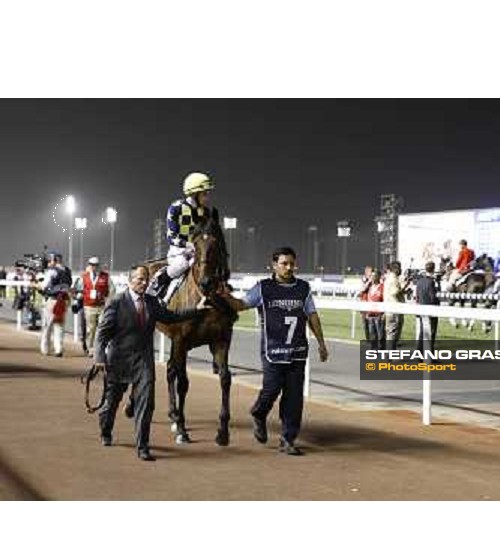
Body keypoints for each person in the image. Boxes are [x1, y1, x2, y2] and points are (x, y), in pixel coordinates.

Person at [223, 247, 328, 456]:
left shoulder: (303, 288)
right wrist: (223, 296)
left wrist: (322, 343)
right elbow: (241, 305)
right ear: (274, 265)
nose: (289, 267)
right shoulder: (263, 288)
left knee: (294, 399)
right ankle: (258, 413)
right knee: (270, 391)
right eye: (284, 264)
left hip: (297, 352)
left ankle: (288, 439)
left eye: (292, 264)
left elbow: (312, 316)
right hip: (272, 351)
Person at [93, 265, 206, 461]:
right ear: (130, 281)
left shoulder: (152, 303)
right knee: (111, 404)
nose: (144, 283)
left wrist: (196, 310)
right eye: (139, 279)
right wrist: (99, 358)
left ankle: (143, 446)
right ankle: (105, 430)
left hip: (144, 362)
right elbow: (102, 334)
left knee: (146, 404)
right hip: (118, 360)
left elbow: (172, 317)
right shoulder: (117, 302)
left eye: (146, 279)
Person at [149, 171, 229, 305]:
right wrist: (187, 245)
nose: (207, 197)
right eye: (205, 193)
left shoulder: (205, 211)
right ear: (194, 194)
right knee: (182, 264)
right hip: (178, 250)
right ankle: (160, 289)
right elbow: (170, 237)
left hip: (198, 251)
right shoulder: (176, 208)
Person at [75, 256, 113, 356]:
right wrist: (78, 298)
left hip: (101, 306)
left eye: (95, 265)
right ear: (89, 265)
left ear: (98, 266)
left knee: (101, 328)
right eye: (92, 265)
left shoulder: (106, 276)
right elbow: (78, 290)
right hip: (88, 306)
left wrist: (108, 301)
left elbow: (112, 290)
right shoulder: (84, 276)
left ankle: (99, 348)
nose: (94, 267)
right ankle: (90, 348)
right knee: (90, 329)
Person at [38, 252, 72, 357]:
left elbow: (44, 286)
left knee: (47, 325)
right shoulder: (67, 270)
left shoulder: (52, 271)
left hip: (53, 300)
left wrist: (37, 284)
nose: (48, 263)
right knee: (59, 325)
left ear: (54, 260)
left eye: (50, 260)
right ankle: (58, 349)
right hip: (64, 300)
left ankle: (45, 349)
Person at [383, 261, 408, 350]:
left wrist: (404, 288)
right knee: (392, 334)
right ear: (396, 269)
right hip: (394, 310)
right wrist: (404, 287)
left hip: (390, 309)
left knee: (392, 334)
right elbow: (395, 292)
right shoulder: (393, 279)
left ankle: (390, 354)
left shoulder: (390, 278)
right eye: (400, 268)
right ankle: (389, 356)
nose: (401, 270)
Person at [416, 261, 440, 353]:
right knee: (431, 333)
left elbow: (417, 296)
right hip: (431, 310)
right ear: (433, 269)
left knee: (422, 332)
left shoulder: (419, 281)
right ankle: (429, 355)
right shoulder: (431, 282)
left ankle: (419, 354)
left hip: (421, 308)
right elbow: (433, 297)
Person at [365, 269, 385, 350]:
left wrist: (384, 313)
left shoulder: (382, 287)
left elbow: (384, 300)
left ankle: (381, 349)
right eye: (371, 276)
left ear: (378, 277)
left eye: (374, 276)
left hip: (379, 314)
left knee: (380, 334)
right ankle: (373, 349)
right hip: (370, 314)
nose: (372, 278)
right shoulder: (370, 287)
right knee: (372, 333)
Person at [358, 265, 374, 340]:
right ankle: (368, 338)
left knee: (371, 324)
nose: (372, 274)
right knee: (365, 324)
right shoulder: (363, 280)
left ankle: (372, 339)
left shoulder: (373, 281)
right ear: (366, 272)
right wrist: (369, 281)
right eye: (371, 272)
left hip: (371, 305)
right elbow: (362, 289)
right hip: (364, 305)